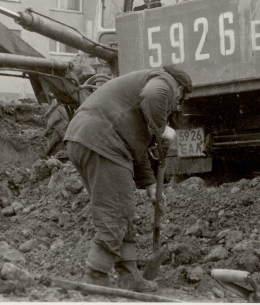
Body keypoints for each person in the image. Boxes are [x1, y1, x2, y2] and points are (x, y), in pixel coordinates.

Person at [64, 65, 193, 292]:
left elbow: (138, 149)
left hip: (87, 138)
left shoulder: (141, 89)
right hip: (103, 140)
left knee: (122, 209)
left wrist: (150, 184)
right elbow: (155, 94)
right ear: (180, 88)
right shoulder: (164, 81)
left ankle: (128, 276)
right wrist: (162, 129)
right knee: (115, 214)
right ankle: (95, 278)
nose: (176, 104)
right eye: (180, 98)